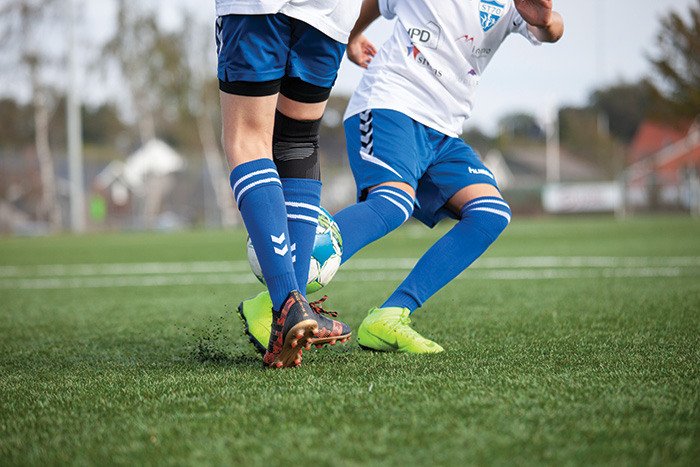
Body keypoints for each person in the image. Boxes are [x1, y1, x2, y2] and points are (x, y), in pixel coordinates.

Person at [238, 0, 564, 355]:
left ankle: (390, 316)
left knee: (491, 213)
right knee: (393, 203)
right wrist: (352, 34)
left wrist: (545, 21)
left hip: (444, 130)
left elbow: (550, 29)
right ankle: (276, 302)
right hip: (389, 104)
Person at [215, 0, 361, 368]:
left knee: (248, 138)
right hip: (332, 11)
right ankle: (296, 307)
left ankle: (286, 303)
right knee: (298, 140)